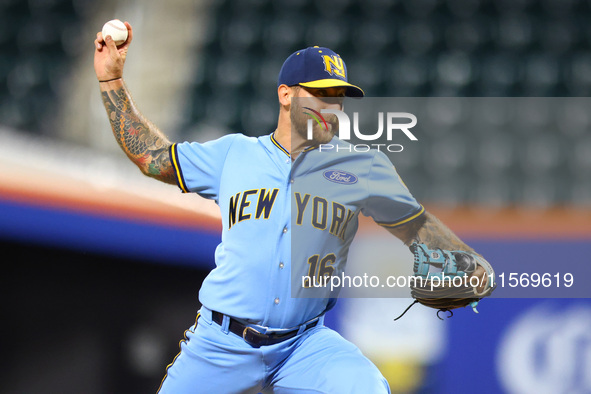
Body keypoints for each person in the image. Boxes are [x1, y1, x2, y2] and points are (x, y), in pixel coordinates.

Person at [94, 22, 489, 394]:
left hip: (305, 345)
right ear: (286, 94)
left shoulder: (362, 168)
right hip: (221, 343)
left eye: (338, 98)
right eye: (321, 94)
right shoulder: (234, 153)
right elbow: (152, 157)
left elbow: (417, 227)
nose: (332, 106)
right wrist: (111, 80)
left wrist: (464, 261)